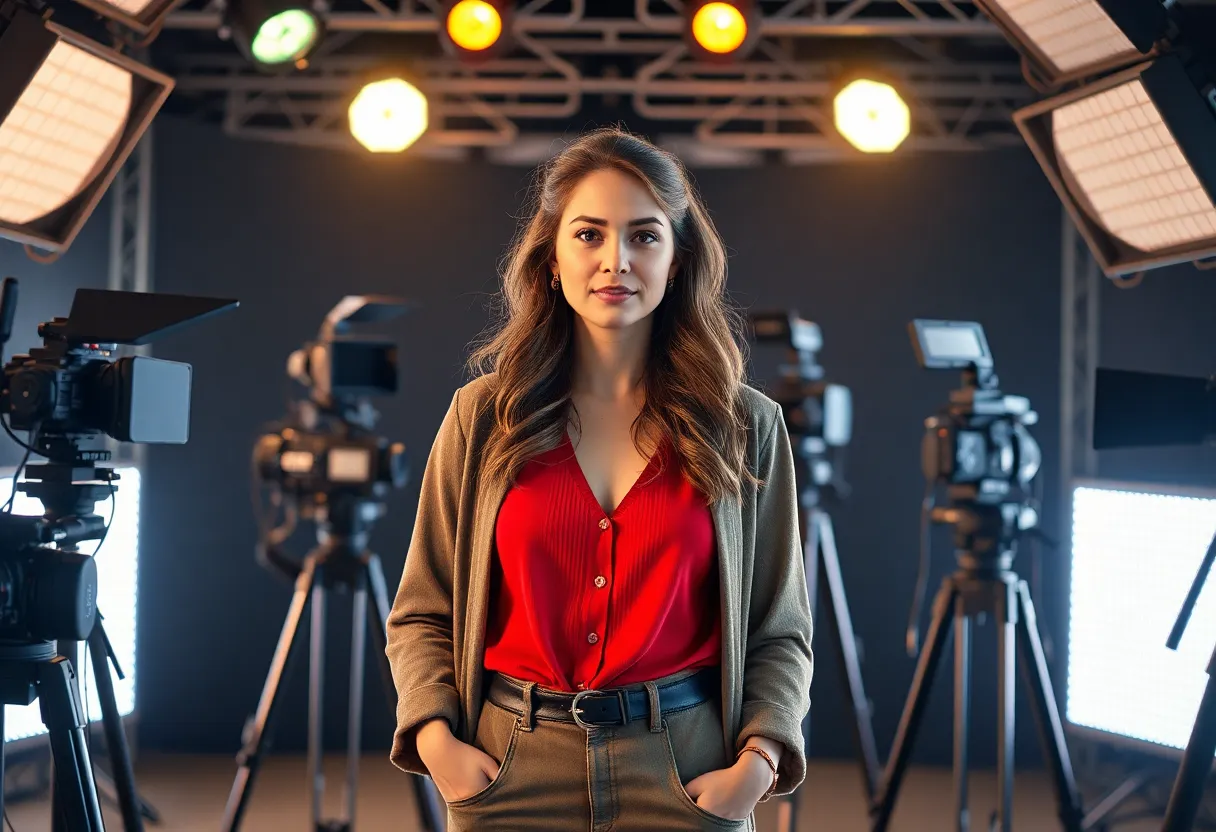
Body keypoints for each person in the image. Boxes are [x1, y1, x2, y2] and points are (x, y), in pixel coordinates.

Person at [385, 126, 814, 831]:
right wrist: (439, 746)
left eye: (644, 236)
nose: (616, 259)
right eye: (589, 234)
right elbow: (422, 611)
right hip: (508, 769)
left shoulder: (746, 425)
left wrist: (757, 765)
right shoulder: (482, 416)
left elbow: (780, 631)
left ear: (676, 261)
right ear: (551, 256)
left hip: (688, 771)